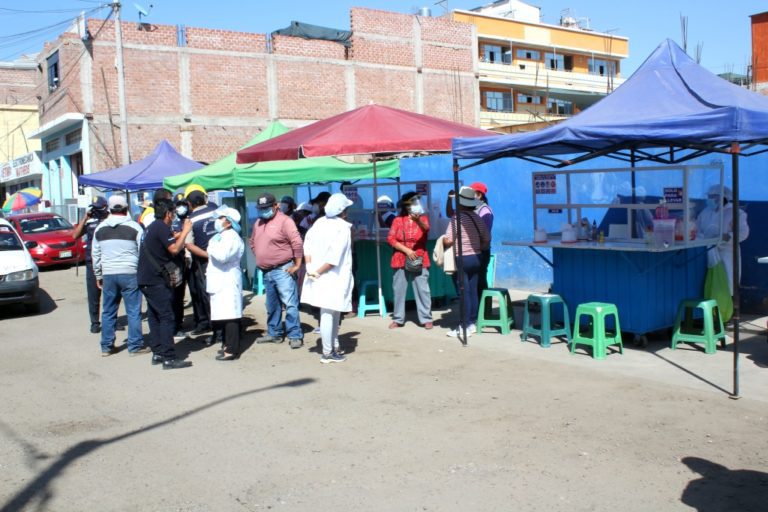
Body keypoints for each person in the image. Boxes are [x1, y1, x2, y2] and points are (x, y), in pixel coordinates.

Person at [138, 198, 193, 370]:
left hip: (145, 278)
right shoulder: (161, 227)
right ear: (169, 213)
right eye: (173, 213)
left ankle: (158, 352)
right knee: (167, 317)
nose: (174, 216)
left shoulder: (152, 227)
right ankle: (169, 357)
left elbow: (162, 243)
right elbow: (174, 249)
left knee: (155, 316)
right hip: (155, 280)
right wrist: (185, 231)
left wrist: (176, 235)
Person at [301, 193, 354, 363]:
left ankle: (334, 345)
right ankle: (328, 352)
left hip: (318, 274)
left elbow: (306, 245)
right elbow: (334, 258)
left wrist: (310, 268)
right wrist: (318, 271)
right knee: (329, 313)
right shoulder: (343, 228)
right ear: (343, 211)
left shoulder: (319, 223)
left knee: (331, 312)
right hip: (332, 276)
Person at [91, 195, 147, 356]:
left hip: (109, 273)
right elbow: (143, 251)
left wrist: (98, 275)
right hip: (130, 273)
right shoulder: (135, 227)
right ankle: (135, 346)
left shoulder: (100, 229)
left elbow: (96, 254)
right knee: (133, 311)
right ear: (126, 208)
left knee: (108, 311)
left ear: (109, 209)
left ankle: (106, 346)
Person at [249, 192, 304, 348]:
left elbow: (297, 243)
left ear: (275, 206)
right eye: (260, 208)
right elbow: (253, 242)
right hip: (266, 271)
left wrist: (297, 264)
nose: (263, 211)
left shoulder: (285, 221)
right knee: (272, 305)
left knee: (290, 304)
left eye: (266, 207)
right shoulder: (258, 222)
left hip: (283, 268)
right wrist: (261, 256)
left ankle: (295, 334)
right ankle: (274, 333)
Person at [443, 186, 491, 338]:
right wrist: (479, 247)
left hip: (462, 258)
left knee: (464, 292)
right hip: (476, 258)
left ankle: (465, 325)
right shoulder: (477, 217)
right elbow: (487, 238)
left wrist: (443, 240)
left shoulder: (457, 219)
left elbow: (449, 240)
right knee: (473, 291)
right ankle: (473, 322)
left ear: (461, 203)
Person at [387, 191, 433, 330]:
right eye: (410, 204)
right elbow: (391, 238)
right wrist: (406, 250)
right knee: (399, 289)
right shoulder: (397, 220)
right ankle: (398, 318)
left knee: (422, 289)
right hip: (400, 257)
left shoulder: (423, 218)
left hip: (419, 256)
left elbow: (426, 229)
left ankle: (426, 318)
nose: (412, 206)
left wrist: (417, 220)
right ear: (405, 206)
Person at [205, 206, 245, 361]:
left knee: (231, 315)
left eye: (220, 218)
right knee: (224, 315)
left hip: (227, 280)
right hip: (220, 280)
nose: (217, 221)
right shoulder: (222, 235)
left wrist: (210, 246)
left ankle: (232, 350)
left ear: (228, 222)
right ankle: (227, 345)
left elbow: (222, 256)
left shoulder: (232, 236)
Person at [696, 184, 749, 295]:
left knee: (727, 283)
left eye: (713, 197)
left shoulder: (736, 213)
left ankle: (728, 309)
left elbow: (743, 233)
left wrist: (727, 236)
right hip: (707, 252)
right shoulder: (705, 212)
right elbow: (697, 229)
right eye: (709, 197)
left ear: (723, 198)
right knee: (710, 283)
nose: (709, 200)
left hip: (727, 254)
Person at [72, 196, 109, 333]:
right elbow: (75, 236)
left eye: (98, 207)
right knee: (94, 294)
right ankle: (94, 322)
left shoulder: (110, 219)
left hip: (108, 261)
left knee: (111, 293)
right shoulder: (89, 221)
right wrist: (85, 218)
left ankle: (112, 320)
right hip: (91, 262)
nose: (95, 210)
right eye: (94, 207)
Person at [186, 189, 218, 338]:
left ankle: (216, 331)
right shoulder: (217, 211)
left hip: (204, 262)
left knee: (208, 296)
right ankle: (228, 329)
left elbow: (189, 245)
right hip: (225, 259)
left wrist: (208, 255)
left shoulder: (190, 219)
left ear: (190, 204)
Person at [470, 182, 494, 297]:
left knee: (480, 282)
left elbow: (485, 235)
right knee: (476, 282)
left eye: (471, 193)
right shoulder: (473, 209)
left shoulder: (485, 212)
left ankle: (484, 310)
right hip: (475, 250)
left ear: (479, 195)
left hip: (481, 251)